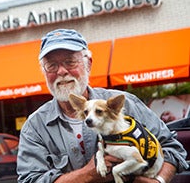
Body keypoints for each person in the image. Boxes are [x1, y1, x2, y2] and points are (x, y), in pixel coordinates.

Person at [16, 29, 188, 183]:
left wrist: (159, 180)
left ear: (88, 63)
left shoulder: (124, 103)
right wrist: (88, 174)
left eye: (70, 62)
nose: (61, 71)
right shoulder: (34, 127)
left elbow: (172, 149)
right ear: (44, 72)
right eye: (51, 65)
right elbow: (30, 180)